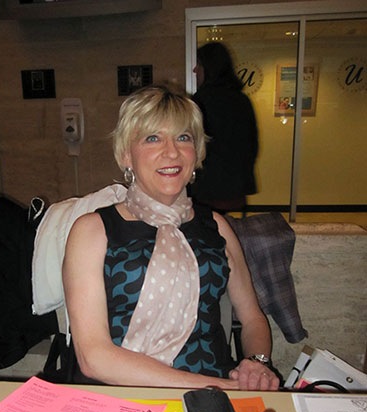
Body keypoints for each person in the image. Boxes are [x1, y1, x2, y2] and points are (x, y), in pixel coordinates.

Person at [62, 85, 279, 391]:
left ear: (197, 153)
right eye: (153, 138)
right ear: (126, 155)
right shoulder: (92, 231)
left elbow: (253, 318)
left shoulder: (217, 227)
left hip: (214, 393)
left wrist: (257, 363)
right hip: (117, 393)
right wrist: (215, 386)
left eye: (183, 138)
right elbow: (93, 358)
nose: (172, 151)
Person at [190, 42, 259, 213]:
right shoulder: (241, 100)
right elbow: (252, 144)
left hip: (207, 189)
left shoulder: (201, 101)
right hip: (236, 188)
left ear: (208, 68)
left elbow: (195, 147)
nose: (195, 70)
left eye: (199, 64)